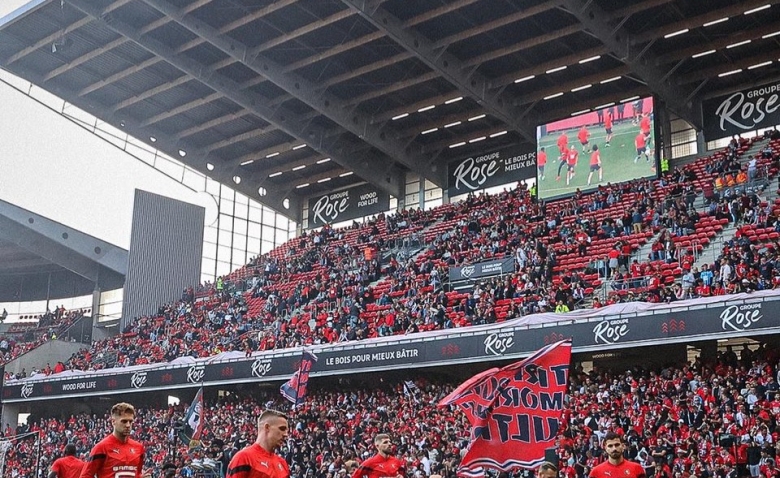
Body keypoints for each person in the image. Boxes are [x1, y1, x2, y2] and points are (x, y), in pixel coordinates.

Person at [80, 402, 147, 478]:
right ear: (113, 421)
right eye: (124, 421)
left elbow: (137, 474)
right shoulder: (101, 448)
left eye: (130, 421)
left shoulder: (139, 448)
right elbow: (85, 475)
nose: (128, 425)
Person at [226, 409, 290, 478]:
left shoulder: (283, 463)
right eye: (282, 429)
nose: (286, 434)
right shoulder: (244, 458)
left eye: (287, 431)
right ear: (267, 427)